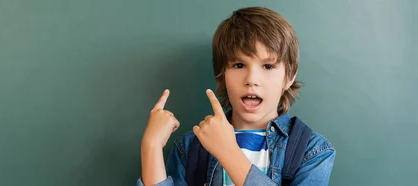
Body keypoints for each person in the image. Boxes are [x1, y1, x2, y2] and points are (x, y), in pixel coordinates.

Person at [137, 7, 336, 186]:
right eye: (239, 65)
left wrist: (228, 152)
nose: (251, 79)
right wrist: (151, 146)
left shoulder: (313, 150)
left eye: (268, 66)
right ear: (222, 75)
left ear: (289, 77)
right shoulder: (191, 148)